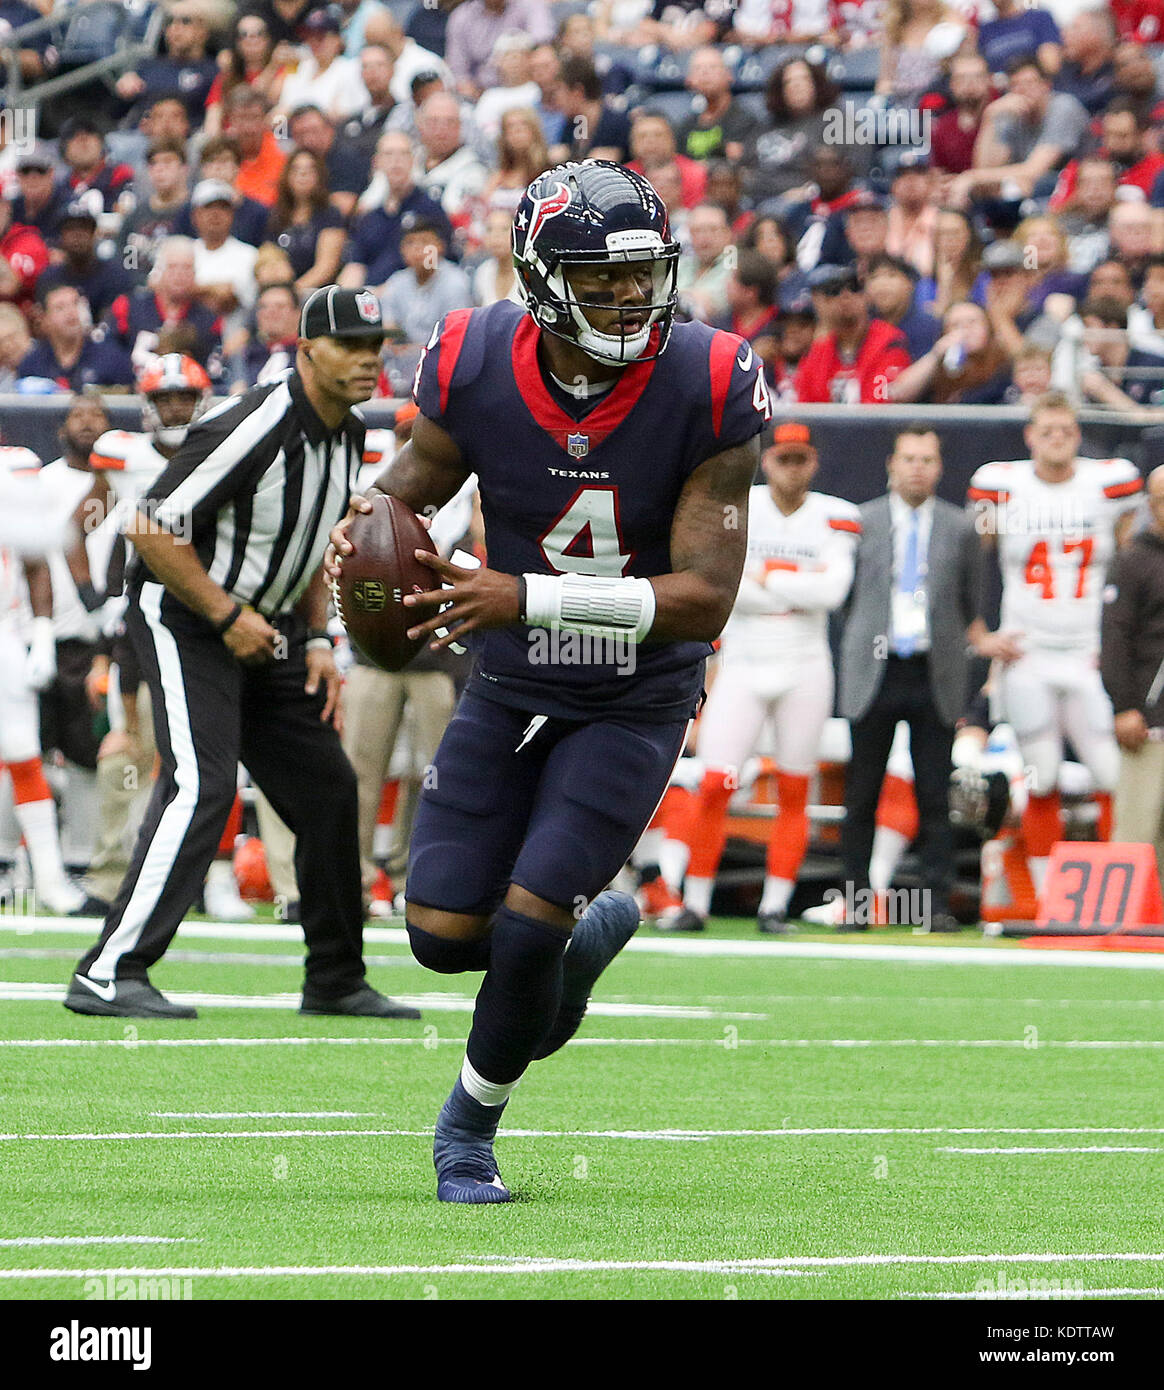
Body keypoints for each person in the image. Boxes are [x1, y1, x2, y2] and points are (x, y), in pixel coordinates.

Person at [325, 160, 769, 1202]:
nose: (629, 298)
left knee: (526, 919)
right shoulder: (474, 359)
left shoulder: (707, 377)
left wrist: (519, 595)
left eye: (642, 276)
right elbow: (408, 488)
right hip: (514, 681)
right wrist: (366, 530)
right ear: (537, 279)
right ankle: (566, 961)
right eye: (599, 279)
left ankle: (467, 1131)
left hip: (635, 691)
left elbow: (706, 597)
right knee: (439, 935)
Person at [66, 288, 422, 1022]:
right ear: (306, 349)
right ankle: (109, 969)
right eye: (350, 346)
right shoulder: (254, 422)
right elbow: (150, 526)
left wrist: (320, 637)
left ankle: (334, 977)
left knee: (327, 789)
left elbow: (318, 541)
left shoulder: (348, 434)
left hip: (270, 627)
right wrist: (225, 613)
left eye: (376, 346)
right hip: (188, 618)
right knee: (204, 784)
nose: (367, 360)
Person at [663, 422, 860, 934]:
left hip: (805, 660)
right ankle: (696, 901)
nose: (792, 468)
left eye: (801, 459)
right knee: (715, 782)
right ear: (767, 460)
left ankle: (775, 905)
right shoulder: (740, 506)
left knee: (796, 786)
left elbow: (834, 591)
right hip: (746, 657)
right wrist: (796, 586)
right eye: (783, 458)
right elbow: (723, 586)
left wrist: (767, 577)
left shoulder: (836, 515)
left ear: (813, 462)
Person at [967, 392, 1143, 894]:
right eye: (1047, 430)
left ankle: (1121, 893)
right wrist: (978, 633)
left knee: (1111, 775)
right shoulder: (1000, 485)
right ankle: (1051, 898)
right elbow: (968, 561)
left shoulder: (1108, 482)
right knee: (1041, 776)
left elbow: (1129, 566)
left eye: (1065, 428)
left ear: (1078, 432)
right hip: (1029, 652)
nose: (1057, 437)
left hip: (1090, 650)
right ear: (1029, 436)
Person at [837, 425, 982, 932]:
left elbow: (969, 604)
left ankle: (936, 903)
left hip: (931, 669)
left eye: (927, 459)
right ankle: (855, 903)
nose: (918, 467)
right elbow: (847, 599)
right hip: (876, 669)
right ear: (891, 466)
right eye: (909, 458)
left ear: (940, 467)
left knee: (934, 794)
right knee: (862, 793)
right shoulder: (863, 522)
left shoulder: (961, 527)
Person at [0, 440, 85, 914]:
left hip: (4, 636)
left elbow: (36, 562)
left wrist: (42, 631)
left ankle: (49, 878)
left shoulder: (11, 475)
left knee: (23, 753)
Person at [1101, 465, 1164, 899]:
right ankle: (1122, 928)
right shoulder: (1133, 560)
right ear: (1152, 505)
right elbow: (1115, 637)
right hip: (1150, 721)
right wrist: (1125, 705)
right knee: (1138, 833)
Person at [340, 131, 455, 289]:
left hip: (414, 300)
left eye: (403, 154)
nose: (396, 161)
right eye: (388, 154)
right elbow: (355, 266)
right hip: (370, 300)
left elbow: (433, 266)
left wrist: (386, 294)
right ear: (376, 162)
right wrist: (342, 299)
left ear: (413, 161)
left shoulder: (430, 210)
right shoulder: (370, 216)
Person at [794, 263, 911, 404]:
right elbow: (804, 409)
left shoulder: (890, 341)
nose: (845, 295)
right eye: (834, 290)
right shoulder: (818, 352)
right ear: (821, 303)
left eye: (854, 287)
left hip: (876, 425)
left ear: (866, 296)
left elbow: (880, 406)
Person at [889, 299, 1014, 403]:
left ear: (988, 329)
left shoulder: (1004, 368)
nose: (965, 330)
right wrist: (936, 354)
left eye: (972, 322)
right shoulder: (937, 369)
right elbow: (897, 393)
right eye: (956, 325)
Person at [19, 284, 134, 391]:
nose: (71, 312)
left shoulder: (112, 358)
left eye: (76, 304)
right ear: (44, 318)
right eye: (60, 308)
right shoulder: (32, 363)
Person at [379, 214, 473, 343]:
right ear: (402, 249)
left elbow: (455, 338)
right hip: (402, 359)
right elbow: (388, 332)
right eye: (410, 242)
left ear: (440, 246)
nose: (417, 249)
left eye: (424, 242)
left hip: (443, 356)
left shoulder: (456, 282)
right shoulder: (397, 282)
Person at [261, 150, 346, 293]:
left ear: (319, 176)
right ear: (287, 176)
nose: (303, 175)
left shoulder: (330, 214)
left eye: (310, 170)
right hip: (279, 289)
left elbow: (326, 267)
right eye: (296, 170)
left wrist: (292, 293)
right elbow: (267, 256)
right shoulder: (276, 215)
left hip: (315, 292)